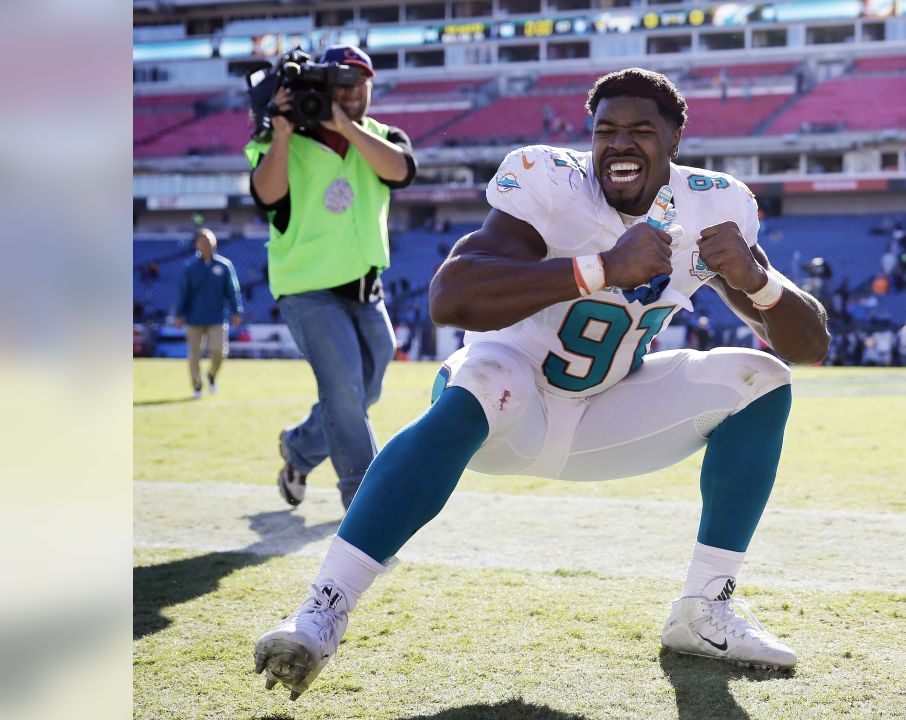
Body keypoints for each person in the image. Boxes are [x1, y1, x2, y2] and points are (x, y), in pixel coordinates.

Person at [253, 68, 830, 700]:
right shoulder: (551, 183)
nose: (621, 144)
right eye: (606, 130)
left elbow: (809, 346)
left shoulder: (714, 204)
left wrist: (758, 283)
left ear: (675, 139)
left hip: (607, 414)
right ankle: (322, 609)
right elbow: (451, 297)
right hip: (507, 408)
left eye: (642, 131)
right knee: (489, 373)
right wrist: (598, 269)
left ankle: (703, 608)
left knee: (760, 377)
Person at [244, 45, 417, 510]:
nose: (352, 90)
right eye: (341, 82)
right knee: (343, 388)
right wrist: (281, 135)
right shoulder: (283, 135)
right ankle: (366, 502)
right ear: (322, 86)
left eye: (361, 81)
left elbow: (399, 171)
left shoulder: (382, 134)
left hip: (366, 289)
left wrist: (347, 128)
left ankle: (299, 449)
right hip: (308, 288)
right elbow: (266, 195)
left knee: (368, 388)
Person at [174, 228, 243, 398]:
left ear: (215, 243)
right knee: (194, 354)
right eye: (203, 241)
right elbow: (182, 292)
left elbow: (232, 290)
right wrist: (178, 314)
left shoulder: (224, 265)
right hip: (194, 318)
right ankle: (197, 385)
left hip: (217, 317)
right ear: (197, 244)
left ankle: (211, 375)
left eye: (210, 240)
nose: (207, 244)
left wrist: (237, 311)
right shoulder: (189, 268)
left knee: (219, 351)